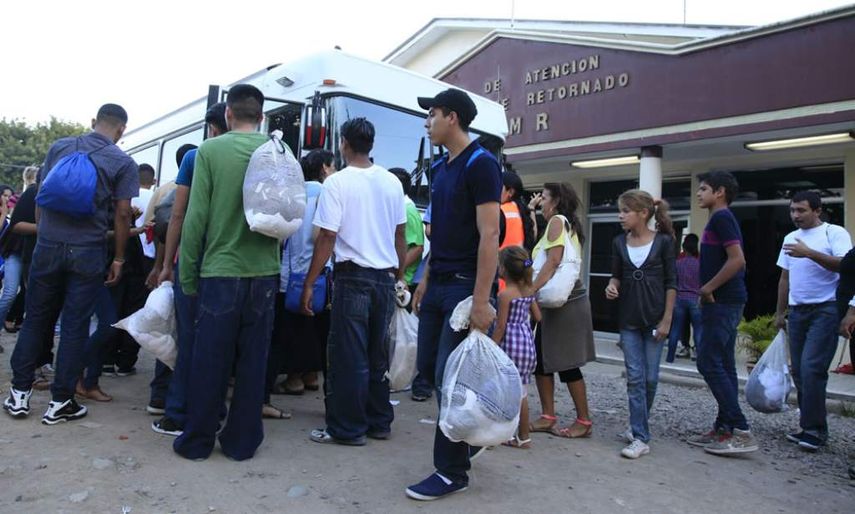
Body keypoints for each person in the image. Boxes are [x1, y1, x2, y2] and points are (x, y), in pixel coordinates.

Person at [4, 103, 138, 425]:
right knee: (76, 327)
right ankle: (61, 402)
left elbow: (40, 196)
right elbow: (122, 213)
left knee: (36, 319)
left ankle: (19, 395)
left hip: (47, 247)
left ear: (94, 122)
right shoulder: (123, 162)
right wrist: (118, 257)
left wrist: (46, 235)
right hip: (88, 251)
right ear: (121, 131)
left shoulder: (59, 146)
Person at [173, 85, 280, 461]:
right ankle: (242, 442)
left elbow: (195, 217)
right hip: (265, 273)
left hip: (219, 272)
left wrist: (187, 275)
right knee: (253, 363)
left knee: (209, 360)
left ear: (229, 115)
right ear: (261, 116)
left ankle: (198, 441)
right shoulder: (278, 149)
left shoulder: (210, 151)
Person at [406, 89, 501, 501]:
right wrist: (425, 280)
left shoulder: (482, 164)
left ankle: (451, 471)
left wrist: (481, 301)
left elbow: (490, 235)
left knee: (450, 377)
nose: (427, 122)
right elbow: (439, 233)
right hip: (439, 280)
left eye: (432, 115)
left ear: (453, 118)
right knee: (427, 369)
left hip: (465, 286)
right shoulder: (441, 168)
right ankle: (471, 435)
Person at [302, 117, 406, 446]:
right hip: (385, 280)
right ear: (371, 144)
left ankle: (347, 428)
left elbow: (327, 236)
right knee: (376, 356)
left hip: (352, 278)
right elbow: (400, 234)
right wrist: (398, 275)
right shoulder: (392, 182)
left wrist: (310, 282)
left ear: (344, 143)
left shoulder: (337, 183)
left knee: (349, 356)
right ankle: (379, 422)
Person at [151, 105, 226, 436]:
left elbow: (178, 215)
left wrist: (167, 264)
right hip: (233, 265)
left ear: (211, 126)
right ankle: (215, 408)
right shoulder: (253, 156)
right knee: (222, 341)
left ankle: (177, 412)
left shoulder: (195, 158)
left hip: (193, 261)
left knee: (187, 338)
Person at [688, 171, 758, 455]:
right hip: (724, 301)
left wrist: (707, 288)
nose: (698, 194)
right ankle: (723, 427)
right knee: (724, 364)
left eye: (703, 189)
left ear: (719, 192)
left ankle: (741, 431)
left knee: (708, 362)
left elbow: (737, 260)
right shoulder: (717, 219)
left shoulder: (722, 218)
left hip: (723, 301)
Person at [774, 191, 850, 451]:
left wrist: (809, 253)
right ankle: (810, 426)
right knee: (799, 371)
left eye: (802, 210)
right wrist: (779, 312)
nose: (796, 216)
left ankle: (815, 430)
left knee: (811, 368)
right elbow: (785, 278)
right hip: (797, 311)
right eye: (793, 210)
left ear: (817, 211)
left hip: (826, 309)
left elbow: (844, 266)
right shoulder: (789, 238)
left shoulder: (834, 233)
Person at [605, 190, 676, 459]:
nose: (620, 216)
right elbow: (616, 276)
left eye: (625, 211)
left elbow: (672, 283)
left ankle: (637, 425)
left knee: (650, 379)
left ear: (643, 213)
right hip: (628, 320)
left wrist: (667, 318)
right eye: (620, 210)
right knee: (635, 377)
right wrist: (612, 286)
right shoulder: (618, 243)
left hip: (656, 319)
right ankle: (640, 435)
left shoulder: (664, 243)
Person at [262, 151, 332, 412]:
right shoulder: (329, 194)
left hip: (288, 277)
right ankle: (310, 378)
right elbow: (322, 236)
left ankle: (287, 382)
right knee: (320, 334)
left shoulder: (292, 194)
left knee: (282, 334)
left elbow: (279, 238)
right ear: (325, 168)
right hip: (321, 277)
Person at [528, 183, 596, 439]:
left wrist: (531, 289)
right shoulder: (559, 225)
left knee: (566, 364)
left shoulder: (557, 221)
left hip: (565, 304)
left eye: (544, 198)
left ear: (555, 201)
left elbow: (554, 261)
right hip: (554, 304)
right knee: (542, 360)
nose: (541, 202)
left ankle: (584, 420)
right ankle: (548, 416)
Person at [492, 246, 541, 449]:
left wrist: (490, 345)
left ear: (504, 269)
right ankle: (524, 437)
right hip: (526, 345)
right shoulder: (530, 290)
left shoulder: (505, 295)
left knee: (506, 391)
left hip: (509, 346)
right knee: (522, 393)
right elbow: (538, 317)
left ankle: (506, 434)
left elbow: (501, 325)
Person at [0, 168, 38, 337]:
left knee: (29, 294)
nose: (7, 199)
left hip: (31, 253)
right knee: (9, 293)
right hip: (16, 251)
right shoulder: (28, 195)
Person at [667, 234, 702, 362]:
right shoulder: (700, 264)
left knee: (676, 328)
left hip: (680, 298)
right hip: (695, 299)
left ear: (684, 247)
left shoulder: (678, 263)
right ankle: (699, 355)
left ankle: (670, 356)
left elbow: (673, 281)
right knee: (698, 329)